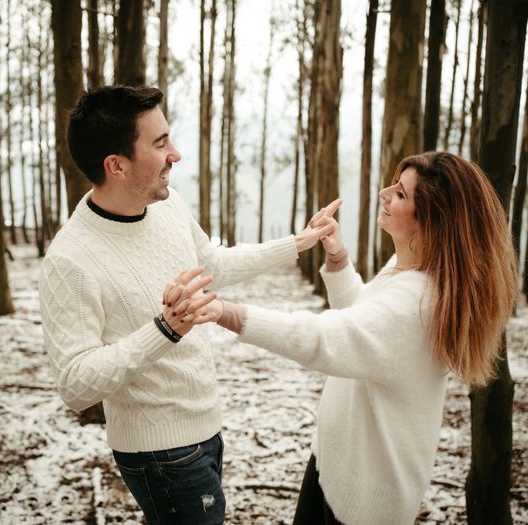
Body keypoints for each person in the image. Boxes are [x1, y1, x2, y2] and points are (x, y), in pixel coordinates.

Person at [38, 84, 337, 524]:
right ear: (116, 165)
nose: (175, 154)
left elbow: (210, 263)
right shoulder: (71, 259)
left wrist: (298, 243)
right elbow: (75, 384)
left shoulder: (167, 204)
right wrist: (165, 330)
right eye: (160, 144)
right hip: (158, 452)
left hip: (205, 427)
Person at [167, 151, 518, 525]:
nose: (384, 192)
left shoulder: (415, 301)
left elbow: (327, 339)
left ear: (429, 219)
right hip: (336, 465)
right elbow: (364, 328)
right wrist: (337, 258)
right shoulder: (410, 273)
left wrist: (226, 312)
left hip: (363, 498)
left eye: (400, 193)